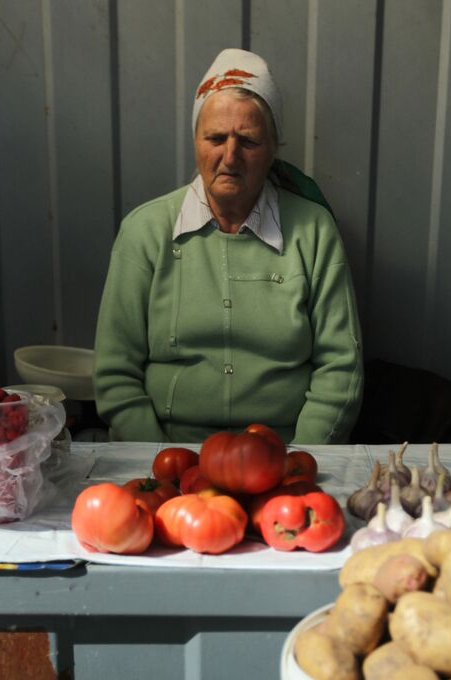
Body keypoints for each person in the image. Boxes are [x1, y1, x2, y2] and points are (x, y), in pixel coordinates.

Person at [94, 48, 363, 444]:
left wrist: (302, 461)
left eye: (249, 141)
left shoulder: (313, 231)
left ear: (274, 149)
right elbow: (115, 374)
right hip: (168, 455)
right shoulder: (145, 231)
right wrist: (159, 464)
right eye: (215, 138)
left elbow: (340, 368)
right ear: (196, 142)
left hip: (283, 454)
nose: (230, 157)